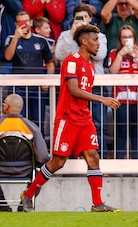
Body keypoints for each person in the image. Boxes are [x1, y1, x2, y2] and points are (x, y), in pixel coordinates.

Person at [20, 24, 122, 212]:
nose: (98, 44)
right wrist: (102, 99)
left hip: (84, 119)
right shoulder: (71, 61)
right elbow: (74, 90)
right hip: (67, 119)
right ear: (84, 42)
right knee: (58, 162)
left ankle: (97, 204)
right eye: (94, 40)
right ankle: (28, 194)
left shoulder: (90, 67)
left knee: (93, 158)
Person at [0, 94, 50, 212]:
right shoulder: (32, 127)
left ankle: (2, 208)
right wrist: (35, 166)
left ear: (7, 107)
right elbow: (43, 156)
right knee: (40, 175)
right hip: (26, 170)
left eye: (3, 104)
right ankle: (23, 206)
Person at [55, 4, 109, 158]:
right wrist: (74, 35)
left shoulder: (100, 36)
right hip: (74, 86)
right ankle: (71, 160)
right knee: (72, 127)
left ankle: (101, 159)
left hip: (95, 86)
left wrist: (88, 38)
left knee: (99, 126)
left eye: (85, 17)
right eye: (79, 17)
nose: (82, 20)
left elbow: (100, 55)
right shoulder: (66, 34)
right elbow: (61, 56)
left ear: (91, 19)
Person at [4, 11, 54, 133]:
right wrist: (16, 38)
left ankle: (37, 150)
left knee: (38, 121)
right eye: (20, 22)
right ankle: (22, 149)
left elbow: (50, 64)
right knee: (19, 120)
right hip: (18, 87)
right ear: (16, 24)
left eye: (26, 21)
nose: (24, 24)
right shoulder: (11, 38)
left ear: (31, 22)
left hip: (37, 87)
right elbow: (7, 57)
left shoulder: (41, 40)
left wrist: (47, 80)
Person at [108, 25, 138, 159]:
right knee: (120, 133)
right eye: (124, 37)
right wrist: (121, 54)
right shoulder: (114, 52)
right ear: (120, 39)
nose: (127, 40)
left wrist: (136, 57)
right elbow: (112, 71)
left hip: (136, 99)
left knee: (136, 134)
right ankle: (118, 168)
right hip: (119, 100)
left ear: (134, 38)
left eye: (130, 37)